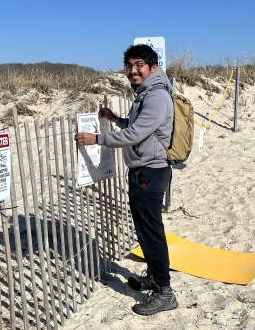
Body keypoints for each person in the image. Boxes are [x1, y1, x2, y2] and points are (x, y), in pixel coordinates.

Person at [75, 44, 178, 316]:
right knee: (147, 229)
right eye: (129, 65)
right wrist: (114, 118)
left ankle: (164, 292)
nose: (133, 70)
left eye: (139, 65)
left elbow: (134, 136)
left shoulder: (156, 97)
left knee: (150, 231)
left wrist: (96, 138)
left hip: (150, 172)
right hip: (144, 171)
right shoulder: (146, 93)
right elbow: (138, 128)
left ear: (153, 68)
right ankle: (155, 277)